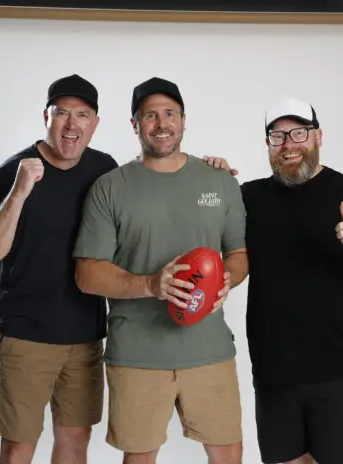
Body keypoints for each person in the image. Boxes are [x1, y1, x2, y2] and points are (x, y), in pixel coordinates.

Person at [204, 96, 343, 464]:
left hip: (338, 371)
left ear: (318, 136)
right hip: (273, 372)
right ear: (268, 144)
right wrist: (213, 181)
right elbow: (211, 224)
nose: (288, 144)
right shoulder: (249, 198)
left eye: (298, 133)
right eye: (278, 136)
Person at [72, 77, 249, 464]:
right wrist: (152, 284)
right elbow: (87, 274)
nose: (161, 123)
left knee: (228, 454)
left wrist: (228, 278)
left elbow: (238, 253)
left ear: (184, 120)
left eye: (170, 113)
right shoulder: (109, 188)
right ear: (134, 124)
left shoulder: (219, 181)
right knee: (139, 458)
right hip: (138, 353)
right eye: (150, 115)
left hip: (209, 349)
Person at [0, 74, 118, 464]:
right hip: (27, 334)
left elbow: (144, 202)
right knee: (19, 447)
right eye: (62, 113)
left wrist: (207, 168)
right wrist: (20, 191)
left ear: (95, 123)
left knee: (75, 442)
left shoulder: (105, 169)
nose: (72, 125)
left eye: (82, 115)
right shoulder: (13, 172)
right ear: (46, 117)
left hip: (85, 334)